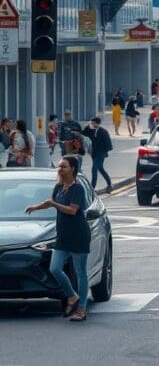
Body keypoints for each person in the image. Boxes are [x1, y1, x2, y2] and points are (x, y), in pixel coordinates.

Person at [25, 156, 90, 322]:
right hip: (63, 236)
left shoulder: (77, 189)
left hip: (78, 235)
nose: (60, 169)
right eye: (59, 166)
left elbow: (72, 210)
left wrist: (54, 204)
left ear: (73, 169)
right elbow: (50, 203)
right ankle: (72, 296)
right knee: (55, 268)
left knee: (80, 273)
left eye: (64, 167)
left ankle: (81, 309)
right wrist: (36, 207)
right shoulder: (59, 187)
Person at [82, 117, 113, 193]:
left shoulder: (103, 132)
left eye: (93, 123)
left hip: (101, 153)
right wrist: (87, 127)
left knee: (94, 169)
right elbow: (83, 134)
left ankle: (92, 188)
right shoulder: (90, 131)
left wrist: (103, 151)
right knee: (100, 168)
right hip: (94, 153)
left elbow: (109, 145)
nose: (92, 124)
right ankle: (109, 184)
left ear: (97, 123)